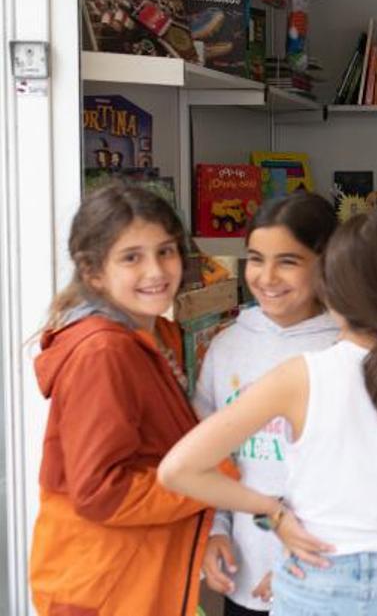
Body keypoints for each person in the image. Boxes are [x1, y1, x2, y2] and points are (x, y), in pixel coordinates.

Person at [160, 212, 377, 616]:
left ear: (329, 288)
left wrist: (273, 511)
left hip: (315, 572)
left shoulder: (302, 376)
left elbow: (177, 469)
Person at [28, 182, 234, 615]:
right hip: (102, 591)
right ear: (92, 271)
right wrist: (209, 481)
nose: (156, 271)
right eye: (131, 258)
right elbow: (102, 492)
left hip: (135, 578)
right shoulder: (103, 352)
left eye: (165, 251)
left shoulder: (155, 331)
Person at [193, 191, 341, 615]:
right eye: (256, 258)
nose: (267, 276)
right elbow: (211, 462)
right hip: (244, 578)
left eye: (288, 261)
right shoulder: (227, 347)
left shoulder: (345, 347)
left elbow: (359, 481)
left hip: (327, 578)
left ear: (327, 262)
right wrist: (214, 532)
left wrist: (301, 564)